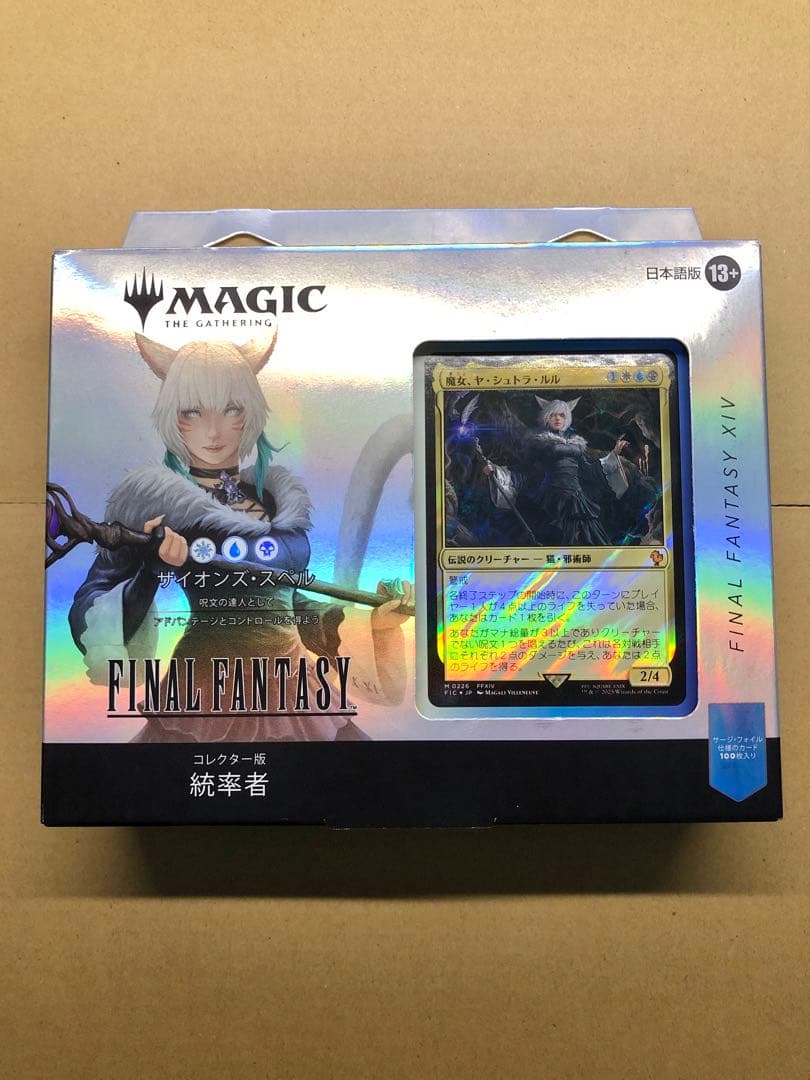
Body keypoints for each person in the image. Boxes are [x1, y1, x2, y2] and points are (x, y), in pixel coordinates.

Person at [69, 332, 412, 742]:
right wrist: (150, 570)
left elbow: (286, 603)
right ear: (172, 417)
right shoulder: (150, 503)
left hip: (293, 685)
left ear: (248, 412)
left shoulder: (274, 497)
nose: (213, 431)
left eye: (230, 409)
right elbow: (93, 600)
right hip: (204, 689)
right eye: (192, 412)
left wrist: (376, 622)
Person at [483, 396, 629, 546]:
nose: (558, 418)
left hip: (577, 500)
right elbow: (526, 470)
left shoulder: (576, 444)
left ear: (567, 418)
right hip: (550, 499)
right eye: (553, 415)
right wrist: (495, 471)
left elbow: (589, 471)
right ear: (546, 417)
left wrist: (613, 454)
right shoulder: (539, 443)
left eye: (562, 415)